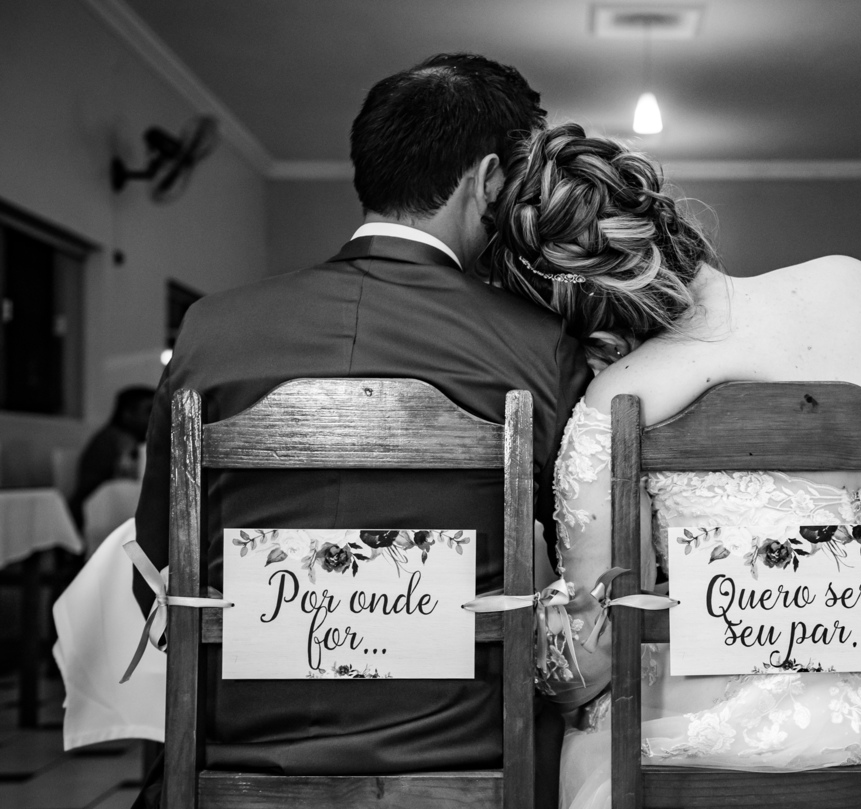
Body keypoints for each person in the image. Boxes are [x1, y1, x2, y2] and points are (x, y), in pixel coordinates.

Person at [490, 124, 861, 809]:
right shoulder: (859, 284)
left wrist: (538, 608)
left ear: (573, 304)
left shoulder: (619, 401)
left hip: (726, 747)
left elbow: (591, 661)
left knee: (591, 730)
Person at [131, 56, 591, 809]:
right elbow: (578, 579)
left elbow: (154, 572)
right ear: (487, 180)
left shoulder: (213, 328)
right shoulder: (537, 343)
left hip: (236, 754)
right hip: (468, 757)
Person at [69, 385, 153, 527]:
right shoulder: (120, 441)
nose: (156, 417)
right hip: (91, 516)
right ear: (127, 414)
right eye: (149, 410)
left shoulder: (116, 436)